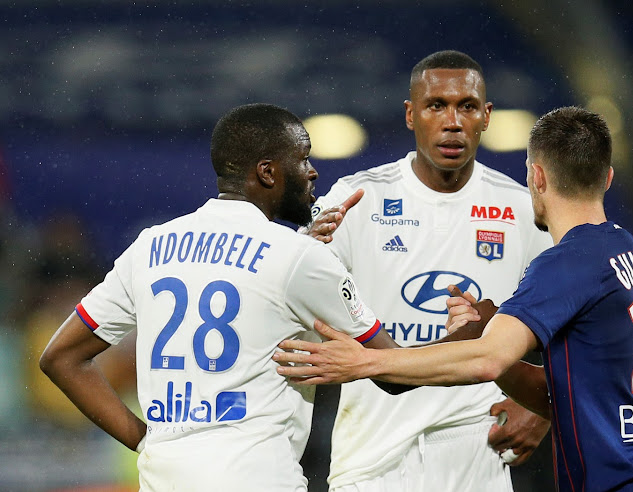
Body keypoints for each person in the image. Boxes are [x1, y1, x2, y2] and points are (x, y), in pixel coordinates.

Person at [276, 106, 633, 492]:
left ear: (537, 177)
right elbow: (565, 393)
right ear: (607, 178)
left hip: (622, 480)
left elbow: (486, 360)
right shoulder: (630, 253)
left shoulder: (568, 262)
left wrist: (363, 362)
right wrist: (491, 332)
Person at [38, 103, 401, 491]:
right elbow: (396, 373)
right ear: (267, 172)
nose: (312, 172)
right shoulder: (299, 257)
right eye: (303, 159)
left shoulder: (150, 246)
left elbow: (61, 358)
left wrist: (147, 443)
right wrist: (469, 335)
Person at [302, 50, 552, 492]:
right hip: (370, 459)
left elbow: (576, 322)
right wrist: (303, 246)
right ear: (410, 114)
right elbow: (291, 291)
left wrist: (543, 408)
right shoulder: (356, 198)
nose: (452, 121)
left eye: (467, 106)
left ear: (487, 116)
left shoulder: (520, 208)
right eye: (436, 105)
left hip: (478, 458)